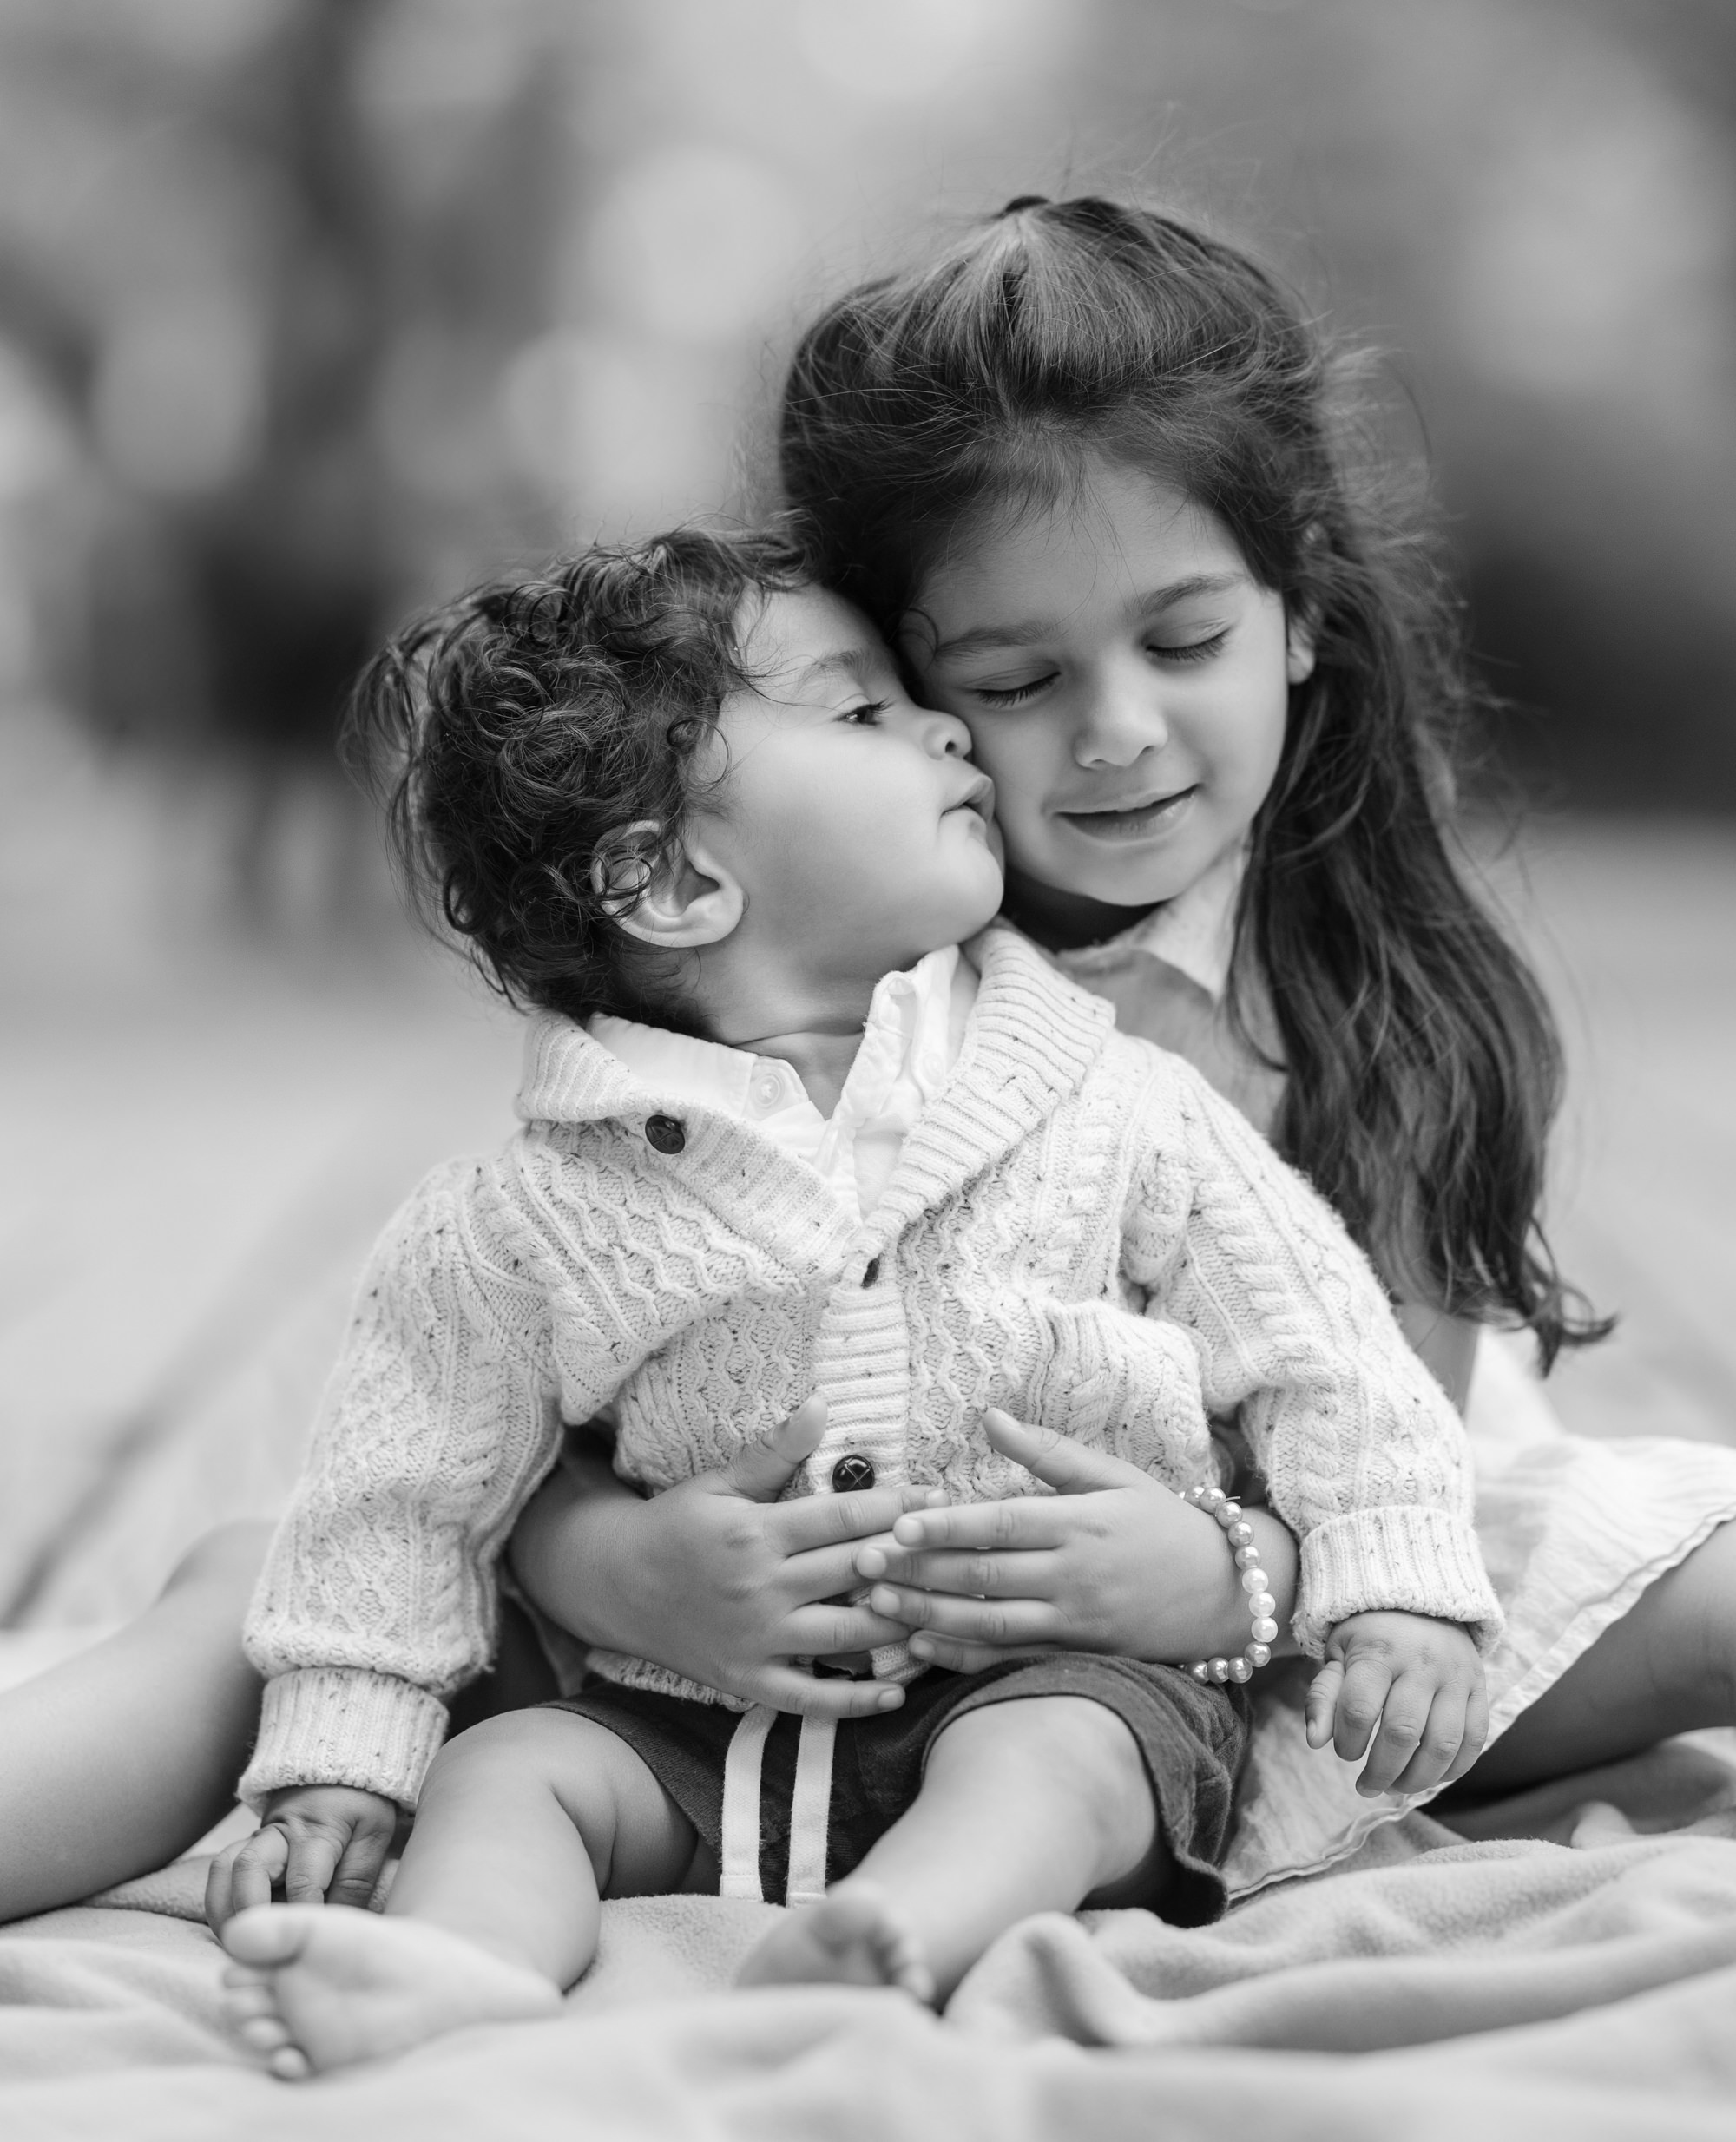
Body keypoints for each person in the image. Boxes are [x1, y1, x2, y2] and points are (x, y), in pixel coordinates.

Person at [503, 196, 1736, 1895]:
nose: (1117, 732)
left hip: (1329, 1613)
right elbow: (526, 1391)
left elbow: (1390, 1468)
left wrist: (1224, 1579)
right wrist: (615, 1572)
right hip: (836, 1637)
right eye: (1015, 681)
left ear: (1298, 608)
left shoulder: (1365, 991)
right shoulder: (814, 958)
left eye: (1184, 640)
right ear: (895, 683)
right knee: (279, 1581)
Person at [213, 529, 1495, 2073]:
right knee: (518, 1775)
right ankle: (451, 1970)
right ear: (674, 878)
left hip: (1058, 1674)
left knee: (1060, 1763)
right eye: (864, 712)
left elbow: (1329, 1353)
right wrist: (341, 1762)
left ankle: (894, 1939)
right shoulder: (518, 1218)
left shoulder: (1116, 1107)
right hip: (696, 1721)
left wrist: (1397, 1586)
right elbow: (395, 1497)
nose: (946, 729)